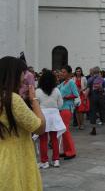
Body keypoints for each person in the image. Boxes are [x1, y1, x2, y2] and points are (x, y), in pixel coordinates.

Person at [0, 57, 46, 191]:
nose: (24, 77)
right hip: (14, 159)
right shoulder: (13, 100)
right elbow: (40, 128)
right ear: (13, 73)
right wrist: (34, 100)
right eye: (22, 72)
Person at [36, 70, 65, 168]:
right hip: (54, 115)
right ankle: (56, 160)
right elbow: (60, 104)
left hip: (43, 115)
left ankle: (45, 161)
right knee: (54, 139)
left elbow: (36, 105)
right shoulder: (56, 90)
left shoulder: (38, 91)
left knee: (43, 139)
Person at [58, 65, 79, 160]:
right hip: (61, 108)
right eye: (61, 72)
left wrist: (65, 97)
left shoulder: (71, 82)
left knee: (65, 129)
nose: (61, 73)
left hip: (67, 107)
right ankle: (66, 151)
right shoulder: (62, 83)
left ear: (69, 73)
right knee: (63, 130)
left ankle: (71, 151)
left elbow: (76, 94)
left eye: (64, 72)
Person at [87, 67, 105, 136]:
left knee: (93, 113)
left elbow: (88, 90)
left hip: (93, 98)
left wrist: (85, 97)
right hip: (101, 98)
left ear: (93, 72)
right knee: (104, 112)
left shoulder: (90, 79)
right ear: (99, 72)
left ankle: (94, 130)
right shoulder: (102, 79)